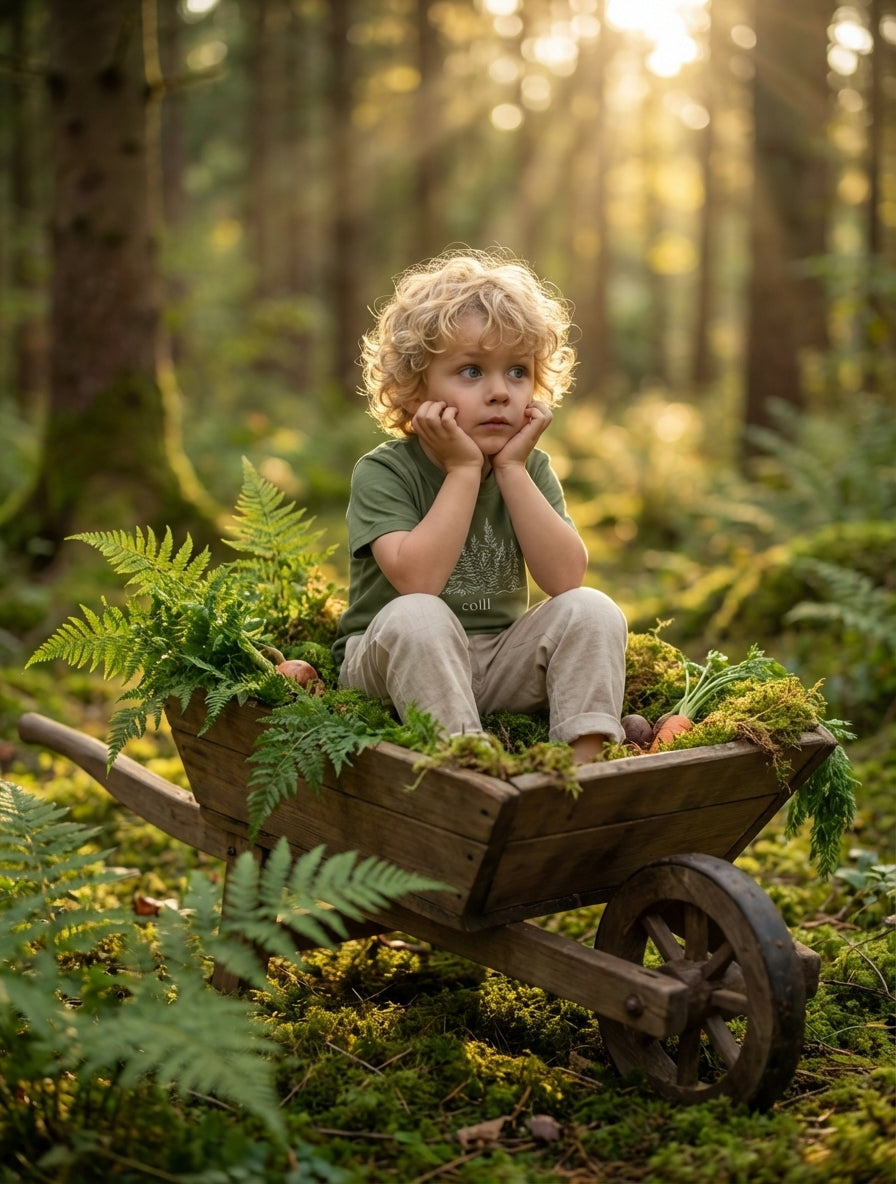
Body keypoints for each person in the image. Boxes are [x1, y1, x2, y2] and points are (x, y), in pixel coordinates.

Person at [333, 248, 627, 763]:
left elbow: (565, 579)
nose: (499, 393)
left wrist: (511, 470)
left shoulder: (528, 467)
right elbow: (418, 582)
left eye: (517, 372)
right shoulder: (385, 471)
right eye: (471, 371)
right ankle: (469, 765)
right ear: (413, 389)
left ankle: (583, 766)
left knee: (593, 608)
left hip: (500, 659)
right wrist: (464, 470)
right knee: (418, 615)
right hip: (394, 663)